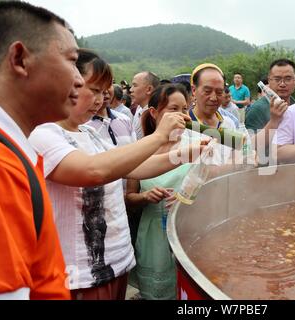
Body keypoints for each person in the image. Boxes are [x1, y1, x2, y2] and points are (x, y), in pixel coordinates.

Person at [28, 49, 191, 300]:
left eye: (103, 93)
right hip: (78, 273)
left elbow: (133, 166)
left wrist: (187, 154)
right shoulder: (44, 134)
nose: (100, 100)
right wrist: (159, 136)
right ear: (67, 83)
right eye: (93, 90)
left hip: (116, 262)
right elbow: (93, 170)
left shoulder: (90, 132)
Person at [0, 1, 84, 300]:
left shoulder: (16, 151)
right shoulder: (2, 169)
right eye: (72, 60)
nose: (80, 79)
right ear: (20, 59)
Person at [126, 84, 194, 300]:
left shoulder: (197, 145)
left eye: (184, 109)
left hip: (187, 231)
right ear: (154, 113)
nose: (181, 116)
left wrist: (188, 199)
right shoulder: (140, 149)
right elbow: (129, 197)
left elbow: (212, 190)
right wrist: (145, 197)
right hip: (152, 235)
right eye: (173, 109)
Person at [246, 59, 295, 133]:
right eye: (277, 79)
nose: (282, 84)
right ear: (269, 81)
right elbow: (251, 143)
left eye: (288, 79)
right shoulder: (257, 109)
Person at [130, 71, 160, 140]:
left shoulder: (154, 116)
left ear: (149, 89)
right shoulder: (139, 109)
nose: (131, 90)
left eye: (135, 85)